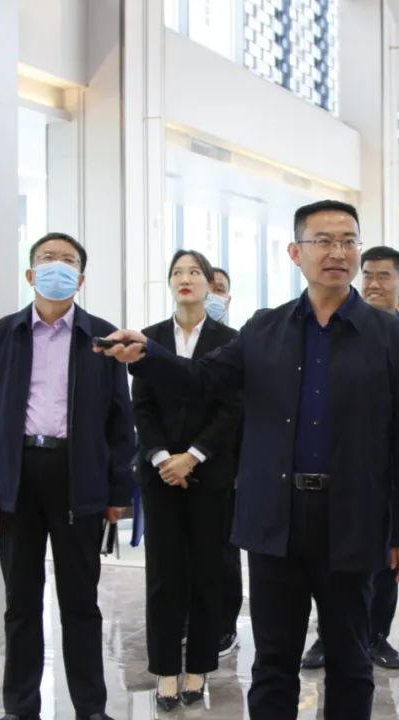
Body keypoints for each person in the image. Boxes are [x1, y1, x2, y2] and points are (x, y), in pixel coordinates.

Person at [98, 200, 399, 720]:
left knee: (350, 661)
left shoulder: (390, 335)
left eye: (347, 241)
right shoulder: (265, 329)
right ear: (295, 252)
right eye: (323, 241)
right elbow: (203, 379)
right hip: (276, 519)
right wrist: (149, 354)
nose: (337, 252)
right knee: (273, 662)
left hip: (353, 519)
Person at [0, 232, 135, 720]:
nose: (56, 267)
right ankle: (20, 708)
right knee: (20, 602)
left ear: (80, 279)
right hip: (19, 475)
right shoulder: (2, 334)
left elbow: (120, 419)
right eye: (47, 259)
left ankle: (91, 708)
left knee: (81, 602)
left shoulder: (102, 338)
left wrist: (118, 491)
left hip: (78, 477)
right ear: (30, 273)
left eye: (67, 261)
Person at [300, 245, 399, 672]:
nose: (375, 284)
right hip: (344, 468)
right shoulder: (340, 332)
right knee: (334, 567)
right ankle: (327, 637)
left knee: (386, 562)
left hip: (393, 469)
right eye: (369, 275)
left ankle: (376, 636)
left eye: (384, 276)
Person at [131, 250, 242, 711]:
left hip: (209, 472)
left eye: (194, 271)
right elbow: (142, 406)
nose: (185, 278)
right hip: (160, 474)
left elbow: (232, 409)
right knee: (164, 575)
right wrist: (163, 458)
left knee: (207, 572)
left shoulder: (229, 341)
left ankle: (198, 668)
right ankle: (164, 672)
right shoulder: (151, 338)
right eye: (177, 272)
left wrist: (193, 457)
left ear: (209, 283)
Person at [205, 265, 243, 656]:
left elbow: (242, 410)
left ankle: (224, 625)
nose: (213, 295)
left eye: (220, 289)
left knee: (223, 553)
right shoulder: (166, 340)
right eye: (208, 286)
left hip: (225, 465)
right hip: (176, 467)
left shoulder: (239, 342)